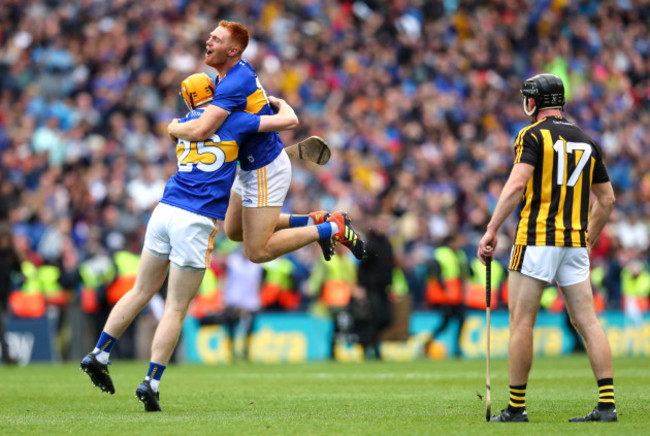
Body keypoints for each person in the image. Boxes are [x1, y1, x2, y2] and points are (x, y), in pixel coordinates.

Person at [80, 72, 300, 412]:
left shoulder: (181, 123)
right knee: (175, 308)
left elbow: (184, 129)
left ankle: (99, 352)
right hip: (195, 220)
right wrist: (278, 103)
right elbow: (287, 122)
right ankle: (151, 381)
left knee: (140, 290)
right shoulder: (236, 120)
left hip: (164, 210)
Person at [477, 74, 617, 423]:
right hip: (572, 242)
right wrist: (587, 238)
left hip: (537, 238)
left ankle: (516, 408)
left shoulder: (531, 135)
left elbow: (517, 184)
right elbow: (607, 199)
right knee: (588, 321)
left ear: (533, 102)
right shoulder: (586, 140)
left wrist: (492, 228)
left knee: (522, 322)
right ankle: (607, 405)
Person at [167, 20, 365, 264]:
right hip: (253, 165)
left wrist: (174, 127)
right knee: (234, 230)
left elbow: (201, 130)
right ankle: (314, 220)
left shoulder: (231, 84)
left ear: (233, 51)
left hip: (264, 169)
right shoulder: (228, 75)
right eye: (211, 37)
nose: (208, 41)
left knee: (257, 252)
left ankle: (333, 228)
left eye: (217, 39)